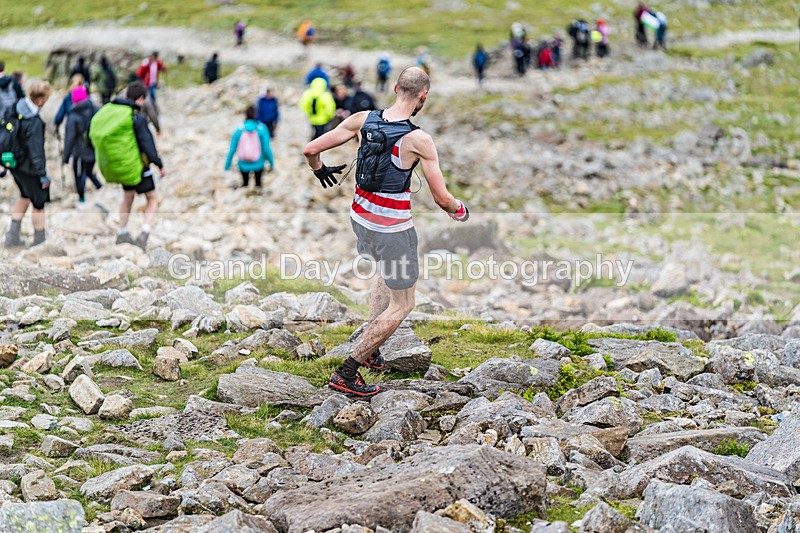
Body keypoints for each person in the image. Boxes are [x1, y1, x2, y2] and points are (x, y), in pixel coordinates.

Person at [302, 67, 469, 396]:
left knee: (385, 273)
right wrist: (460, 211)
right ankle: (348, 372)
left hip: (360, 219)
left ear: (394, 88)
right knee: (404, 303)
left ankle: (372, 345)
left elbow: (311, 149)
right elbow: (441, 198)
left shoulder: (362, 119)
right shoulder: (419, 139)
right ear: (423, 97)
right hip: (393, 229)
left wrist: (319, 170)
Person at [89, 81, 165, 251]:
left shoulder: (113, 113)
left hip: (122, 166)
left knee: (128, 196)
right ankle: (144, 233)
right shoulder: (135, 118)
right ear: (140, 99)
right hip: (138, 167)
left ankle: (122, 231)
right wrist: (159, 164)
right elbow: (148, 145)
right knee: (152, 198)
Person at [4, 81, 53, 248]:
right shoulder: (34, 121)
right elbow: (36, 151)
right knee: (38, 204)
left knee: (24, 196)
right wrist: (43, 175)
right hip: (30, 169)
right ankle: (40, 242)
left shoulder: (16, 107)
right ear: (40, 99)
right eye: (46, 98)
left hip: (14, 164)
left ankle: (12, 236)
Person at [62, 86, 102, 204]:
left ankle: (82, 198)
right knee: (89, 171)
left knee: (79, 174)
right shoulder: (95, 110)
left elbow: (69, 138)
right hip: (94, 148)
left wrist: (65, 157)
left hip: (80, 151)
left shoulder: (73, 116)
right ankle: (99, 187)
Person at [225, 104, 274, 190]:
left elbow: (232, 149)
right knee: (258, 184)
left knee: (245, 184)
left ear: (245, 115)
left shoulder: (239, 129)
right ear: (256, 114)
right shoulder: (261, 128)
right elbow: (266, 148)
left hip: (243, 163)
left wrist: (227, 164)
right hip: (259, 162)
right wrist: (271, 163)